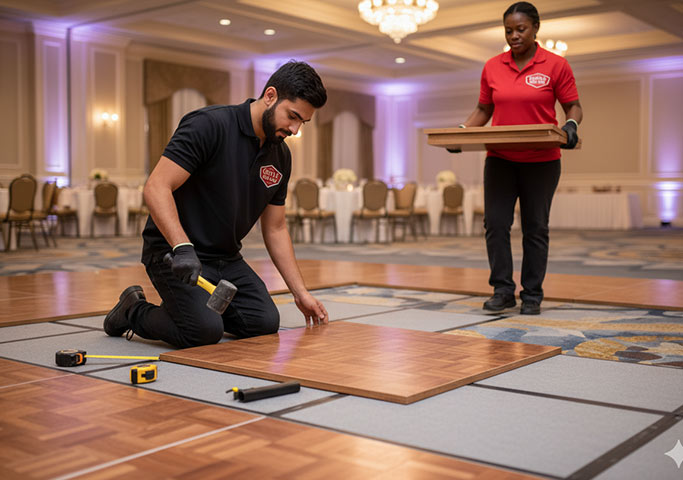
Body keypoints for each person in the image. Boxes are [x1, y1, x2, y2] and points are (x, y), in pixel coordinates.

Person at [104, 60, 330, 348]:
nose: (296, 129)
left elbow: (275, 228)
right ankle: (132, 309)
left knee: (263, 323)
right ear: (271, 96)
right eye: (293, 116)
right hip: (175, 253)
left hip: (226, 258)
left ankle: (196, 313)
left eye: (303, 123)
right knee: (202, 332)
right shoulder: (209, 125)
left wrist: (301, 293)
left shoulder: (281, 156)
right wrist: (182, 247)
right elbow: (157, 187)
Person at [456, 1, 583, 315]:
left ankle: (532, 294)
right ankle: (502, 290)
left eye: (520, 29)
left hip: (542, 161)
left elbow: (573, 106)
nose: (514, 35)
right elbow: (484, 110)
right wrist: (461, 132)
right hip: (500, 159)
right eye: (509, 30)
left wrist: (570, 125)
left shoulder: (556, 65)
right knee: (495, 224)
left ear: (536, 28)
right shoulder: (492, 66)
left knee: (535, 227)